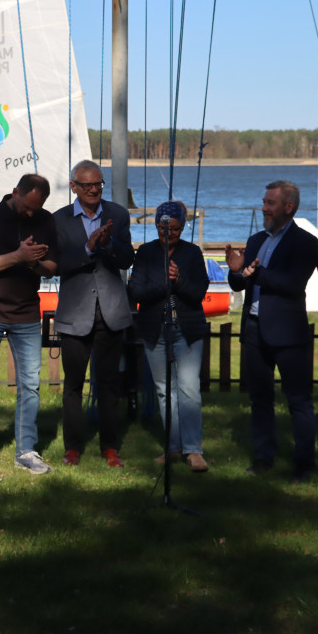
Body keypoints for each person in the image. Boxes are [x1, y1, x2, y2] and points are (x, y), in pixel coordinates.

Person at [226, 180, 318, 483]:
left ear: (288, 207)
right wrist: (236, 270)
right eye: (264, 201)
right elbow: (241, 284)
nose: (264, 207)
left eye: (270, 203)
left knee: (298, 401)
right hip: (253, 330)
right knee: (260, 399)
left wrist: (257, 273)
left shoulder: (305, 242)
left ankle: (304, 464)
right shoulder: (256, 240)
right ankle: (264, 457)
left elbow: (293, 284)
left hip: (288, 333)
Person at [0, 174, 58, 475]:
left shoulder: (45, 220)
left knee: (30, 384)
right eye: (28, 206)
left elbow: (52, 267)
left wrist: (31, 262)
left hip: (27, 313)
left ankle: (26, 450)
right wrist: (18, 256)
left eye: (37, 207)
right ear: (16, 192)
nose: (32, 213)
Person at [52, 160, 135, 467]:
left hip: (111, 311)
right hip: (75, 313)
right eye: (86, 185)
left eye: (98, 184)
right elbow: (56, 264)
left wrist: (108, 243)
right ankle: (72, 447)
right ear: (74, 186)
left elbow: (126, 259)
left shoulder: (118, 214)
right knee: (73, 384)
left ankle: (110, 446)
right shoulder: (59, 220)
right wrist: (88, 248)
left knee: (110, 384)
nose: (93, 190)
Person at [127, 200, 210, 472]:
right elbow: (136, 291)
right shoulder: (146, 253)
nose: (168, 233)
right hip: (155, 329)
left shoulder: (192, 253)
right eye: (164, 228)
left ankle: (193, 450)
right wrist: (164, 284)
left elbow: (198, 292)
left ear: (183, 227)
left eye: (174, 229)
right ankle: (173, 447)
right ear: (156, 225)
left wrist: (180, 281)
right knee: (165, 390)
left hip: (187, 329)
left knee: (189, 389)